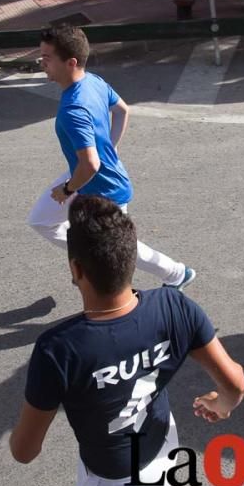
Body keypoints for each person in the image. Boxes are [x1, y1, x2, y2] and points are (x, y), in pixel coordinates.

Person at [11, 194, 244, 486]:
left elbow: (24, 451)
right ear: (131, 259)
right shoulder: (174, 306)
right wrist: (221, 406)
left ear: (76, 269)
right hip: (164, 445)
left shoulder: (58, 349)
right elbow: (236, 384)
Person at [28, 25, 197, 290]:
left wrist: (66, 189)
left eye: (47, 58)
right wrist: (112, 148)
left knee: (123, 248)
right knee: (41, 220)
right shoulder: (92, 81)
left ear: (70, 62)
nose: (41, 63)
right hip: (86, 177)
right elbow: (122, 111)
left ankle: (176, 273)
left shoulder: (73, 109)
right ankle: (84, 253)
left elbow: (92, 164)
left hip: (102, 190)